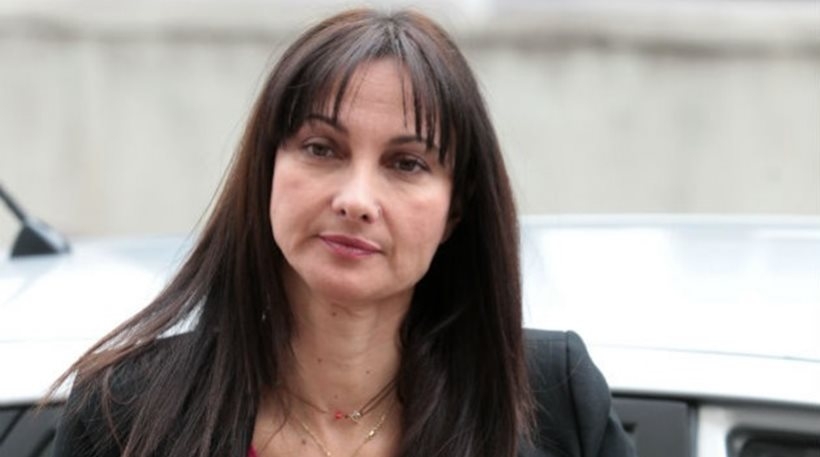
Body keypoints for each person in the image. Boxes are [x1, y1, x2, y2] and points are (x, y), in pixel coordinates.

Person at [52, 8, 635, 457]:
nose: (356, 200)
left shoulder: (554, 399)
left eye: (406, 163)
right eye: (321, 148)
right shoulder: (123, 412)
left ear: (456, 210)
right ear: (267, 171)